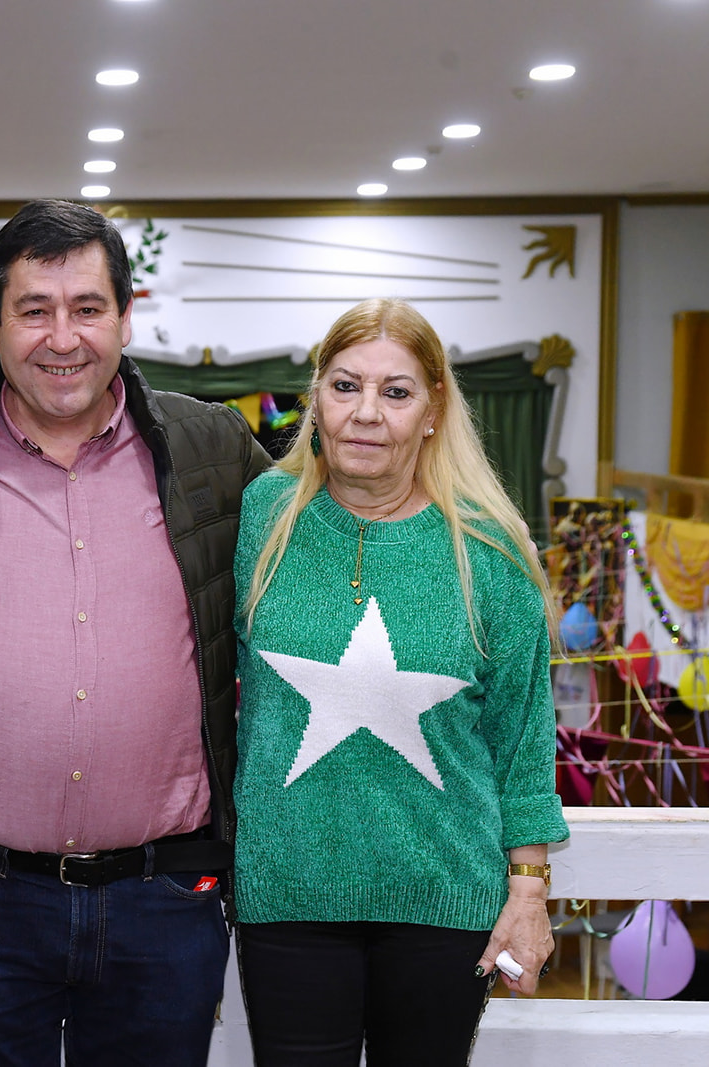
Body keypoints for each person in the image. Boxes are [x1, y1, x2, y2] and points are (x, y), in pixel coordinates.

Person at [0, 198, 269, 1066]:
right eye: (34, 310)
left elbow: (323, 555)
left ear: (126, 316)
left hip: (165, 895)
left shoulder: (213, 447)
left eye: (87, 307)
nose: (63, 337)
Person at [232, 298, 569, 1065]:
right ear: (316, 397)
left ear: (432, 410)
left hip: (443, 902)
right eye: (345, 385)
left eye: (395, 391)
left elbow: (523, 738)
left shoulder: (489, 549)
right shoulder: (262, 516)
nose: (366, 413)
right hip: (288, 893)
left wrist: (528, 891)